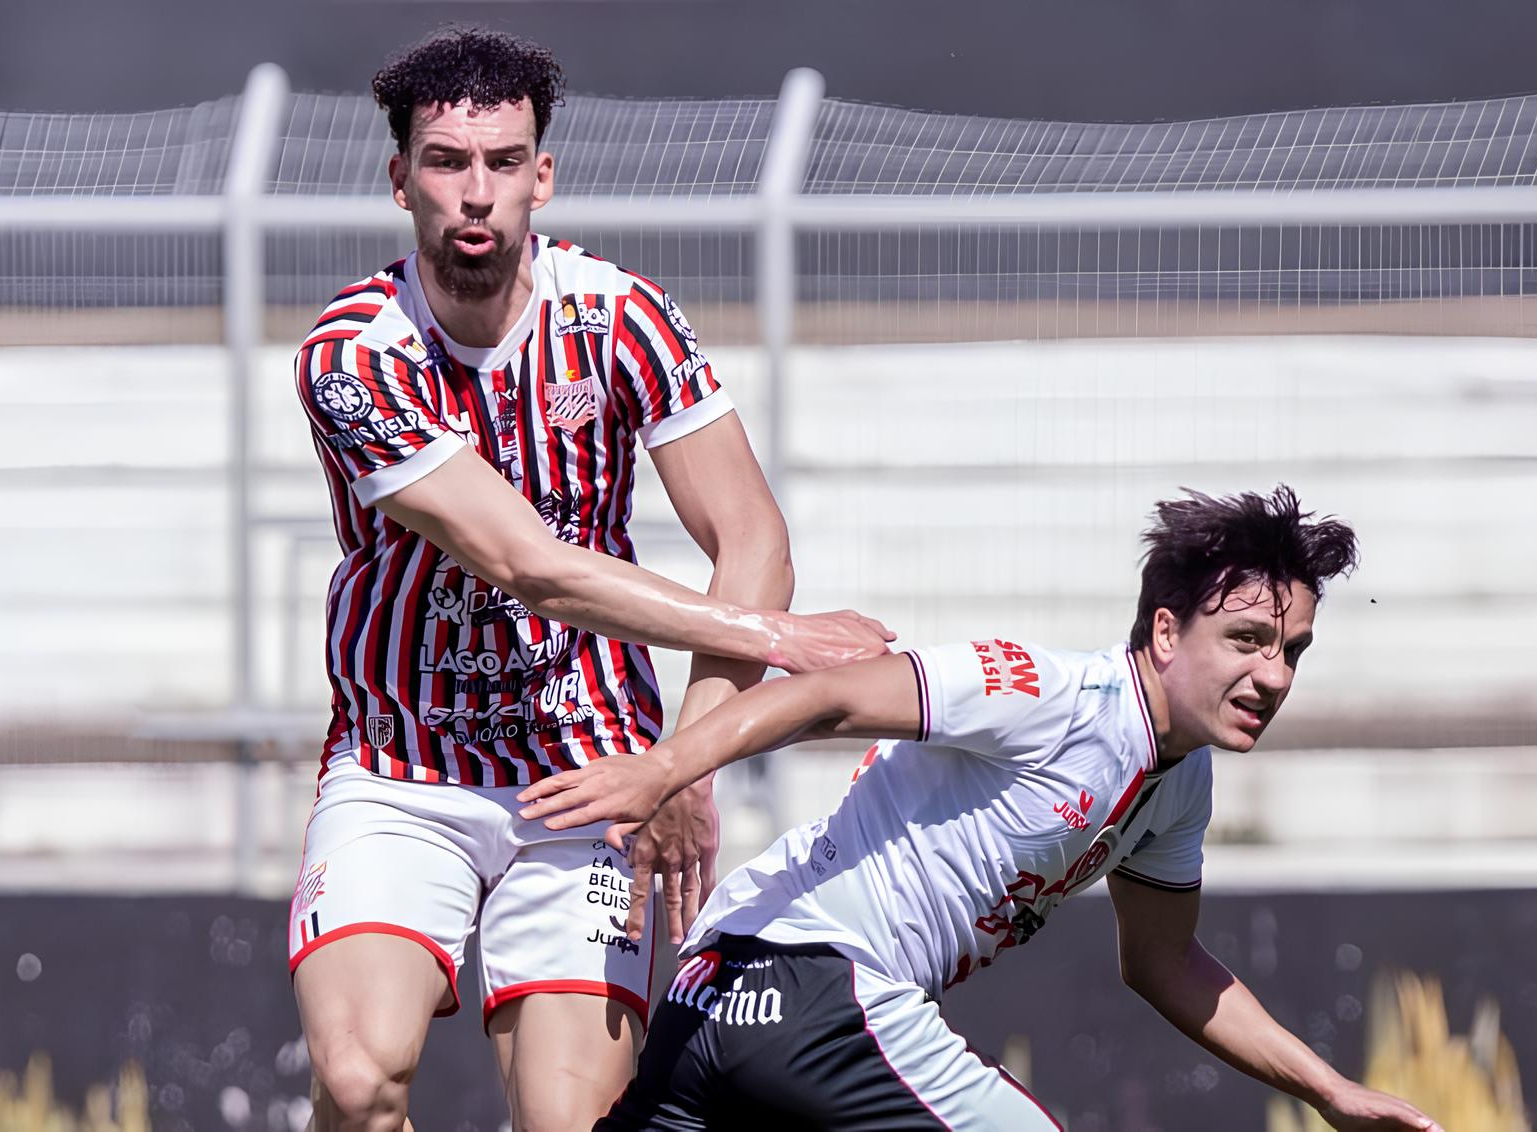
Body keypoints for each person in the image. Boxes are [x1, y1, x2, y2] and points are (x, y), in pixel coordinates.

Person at [287, 26, 892, 1132]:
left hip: (586, 774)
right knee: (358, 1077)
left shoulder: (619, 316)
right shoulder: (353, 354)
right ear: (398, 179)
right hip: (401, 765)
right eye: (444, 163)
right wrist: (785, 640)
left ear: (541, 175)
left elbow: (751, 534)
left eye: (502, 163)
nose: (475, 194)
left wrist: (676, 763)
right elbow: (529, 567)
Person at [519, 486, 1446, 1132]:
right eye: (1246, 639)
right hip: (813, 982)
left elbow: (1164, 962)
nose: (1273, 675)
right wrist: (664, 771)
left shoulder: (1181, 783)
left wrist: (1329, 1091)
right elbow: (827, 695)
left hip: (715, 1001)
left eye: (1293, 652)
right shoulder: (1048, 692)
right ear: (1166, 631)